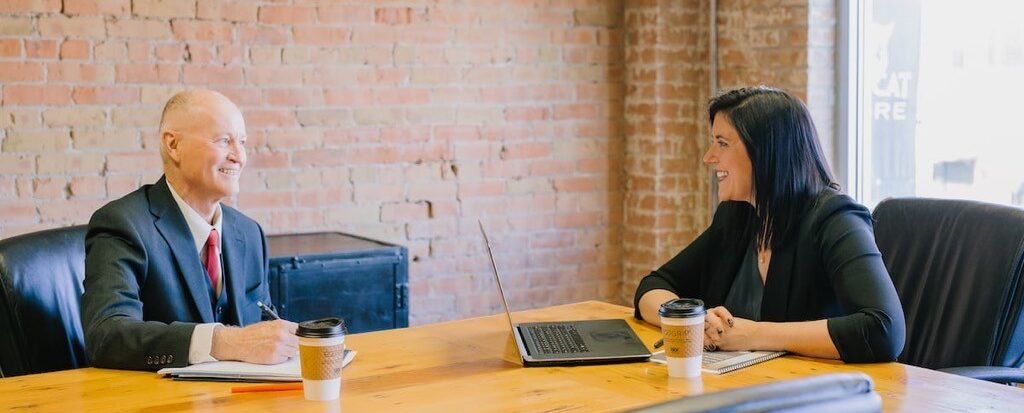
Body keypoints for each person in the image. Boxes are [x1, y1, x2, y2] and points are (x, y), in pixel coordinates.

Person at [634, 86, 905, 363]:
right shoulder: (737, 216)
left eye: (722, 143)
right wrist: (692, 322)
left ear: (766, 152)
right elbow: (654, 285)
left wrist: (751, 335)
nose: (709, 157)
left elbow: (883, 330)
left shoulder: (836, 219)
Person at [81, 90, 298, 370]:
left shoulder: (249, 232)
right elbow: (106, 337)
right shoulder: (122, 224)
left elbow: (263, 332)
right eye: (224, 141)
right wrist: (223, 342)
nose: (239, 156)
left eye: (242, 142)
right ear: (173, 145)